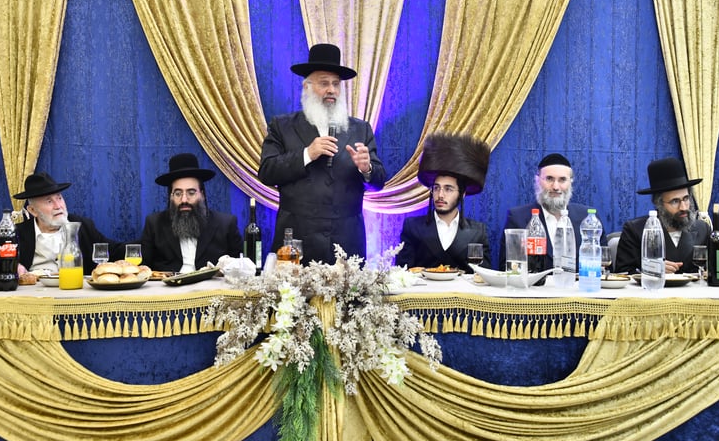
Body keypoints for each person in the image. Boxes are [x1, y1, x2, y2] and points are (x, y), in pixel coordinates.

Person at [258, 43, 386, 265]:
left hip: (347, 245)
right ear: (307, 87)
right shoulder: (282, 126)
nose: (331, 90)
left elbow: (379, 182)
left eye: (336, 84)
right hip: (296, 243)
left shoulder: (360, 129)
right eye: (324, 83)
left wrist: (367, 169)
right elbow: (267, 172)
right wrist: (307, 154)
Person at [615, 157, 719, 276]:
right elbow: (622, 273)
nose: (683, 207)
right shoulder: (635, 230)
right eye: (675, 201)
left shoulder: (703, 229)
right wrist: (651, 270)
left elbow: (710, 268)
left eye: (686, 198)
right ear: (659, 204)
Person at [396, 133, 492, 273]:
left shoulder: (478, 232)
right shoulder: (413, 226)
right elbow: (401, 273)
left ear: (462, 194)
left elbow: (484, 276)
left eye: (448, 189)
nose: (440, 195)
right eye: (436, 188)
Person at [140, 153, 242, 272]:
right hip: (169, 284)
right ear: (171, 196)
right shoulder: (154, 224)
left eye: (191, 193)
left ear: (202, 195)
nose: (184, 200)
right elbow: (143, 269)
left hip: (210, 284)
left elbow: (240, 268)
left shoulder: (226, 224)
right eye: (178, 193)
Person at [500, 153, 594, 272]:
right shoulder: (518, 219)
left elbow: (602, 269)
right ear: (537, 181)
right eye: (549, 179)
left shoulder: (588, 219)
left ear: (570, 182)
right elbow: (508, 270)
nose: (555, 187)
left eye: (562, 180)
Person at [14, 172, 122, 275]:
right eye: (49, 201)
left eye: (59, 198)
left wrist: (133, 248)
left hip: (75, 286)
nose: (58, 206)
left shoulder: (83, 226)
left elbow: (113, 251)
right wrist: (14, 266)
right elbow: (6, 264)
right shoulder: (16, 234)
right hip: (34, 287)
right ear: (33, 210)